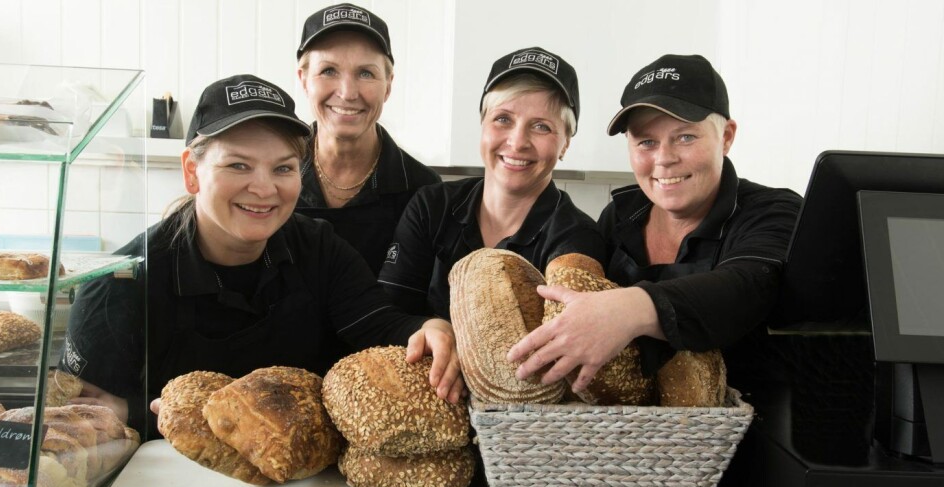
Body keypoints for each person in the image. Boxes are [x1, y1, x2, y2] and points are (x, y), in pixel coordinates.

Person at [60, 74, 462, 437]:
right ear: (192, 172)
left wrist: (428, 328)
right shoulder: (119, 285)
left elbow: (379, 326)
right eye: (239, 165)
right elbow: (83, 419)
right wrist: (152, 417)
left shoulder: (318, 248)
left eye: (283, 169)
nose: (264, 188)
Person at [508, 54, 802, 395]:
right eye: (646, 141)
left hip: (753, 426)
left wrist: (630, 310)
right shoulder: (621, 215)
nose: (664, 158)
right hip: (632, 434)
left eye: (685, 137)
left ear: (726, 137)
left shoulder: (773, 210)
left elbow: (747, 286)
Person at [378, 46, 605, 319]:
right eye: (503, 119)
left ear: (565, 144)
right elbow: (390, 314)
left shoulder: (577, 239)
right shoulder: (431, 206)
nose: (518, 142)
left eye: (541, 126)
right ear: (483, 124)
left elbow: (561, 345)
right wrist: (427, 330)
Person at [294, 3, 441, 276]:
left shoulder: (424, 191)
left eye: (365, 73)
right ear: (304, 80)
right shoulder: (273, 178)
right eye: (328, 70)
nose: (348, 93)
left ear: (388, 85)